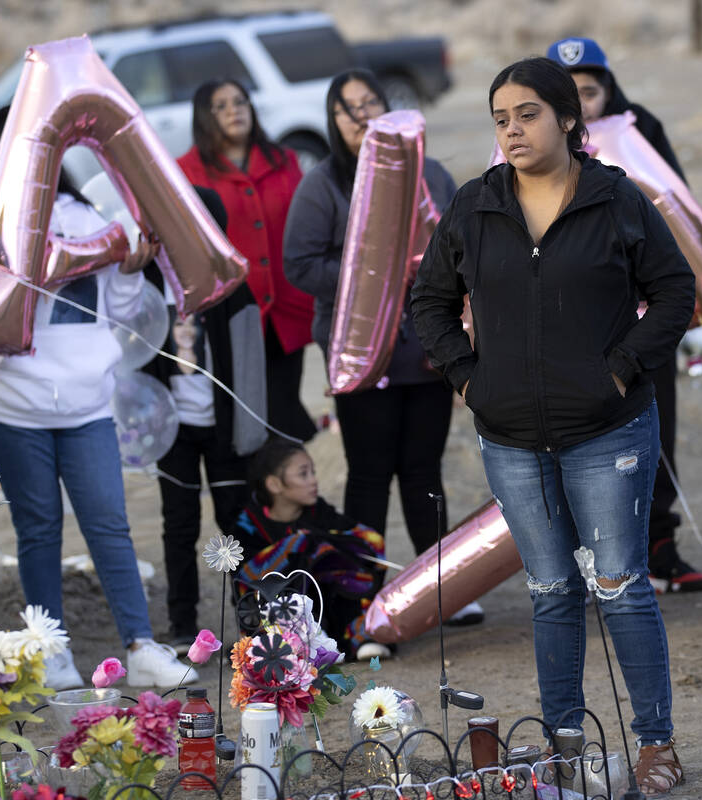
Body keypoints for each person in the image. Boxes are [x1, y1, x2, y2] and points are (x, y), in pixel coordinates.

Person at [411, 58, 695, 794]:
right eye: (501, 117)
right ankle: (566, 742)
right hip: (510, 437)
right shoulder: (474, 207)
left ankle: (656, 745)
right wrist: (469, 377)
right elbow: (428, 304)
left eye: (528, 113)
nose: (512, 129)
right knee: (549, 590)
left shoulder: (616, 200)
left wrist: (622, 369)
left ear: (569, 119)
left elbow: (674, 292)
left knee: (623, 585)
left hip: (609, 429)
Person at [0, 106, 195, 690]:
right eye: (17, 151)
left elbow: (121, 317)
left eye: (40, 150)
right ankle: (48, 649)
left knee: (109, 524)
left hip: (87, 406)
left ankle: (142, 645)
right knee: (39, 527)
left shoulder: (87, 219)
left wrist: (129, 272)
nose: (31, 162)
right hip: (9, 407)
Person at [282, 70, 480, 624]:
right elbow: (299, 263)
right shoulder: (323, 184)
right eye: (348, 109)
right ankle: (359, 594)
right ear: (333, 121)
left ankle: (440, 587)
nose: (362, 115)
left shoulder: (431, 175)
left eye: (370, 102)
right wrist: (371, 279)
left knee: (423, 470)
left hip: (425, 348)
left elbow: (459, 249)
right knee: (369, 474)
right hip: (360, 352)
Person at [546, 36, 702, 595]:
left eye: (591, 91)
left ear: (608, 90)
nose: (585, 105)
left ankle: (660, 546)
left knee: (653, 430)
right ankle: (586, 562)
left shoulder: (642, 131)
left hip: (641, 322)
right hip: (566, 329)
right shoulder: (531, 146)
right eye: (572, 94)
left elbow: (675, 205)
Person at [140, 185, 268, 654]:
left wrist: (249, 433)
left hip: (225, 427)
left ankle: (251, 613)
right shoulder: (151, 285)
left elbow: (252, 367)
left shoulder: (231, 287)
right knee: (178, 522)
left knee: (234, 520)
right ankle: (181, 623)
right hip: (172, 426)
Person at [177, 79, 316, 442]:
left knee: (284, 410)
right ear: (203, 118)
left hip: (285, 313)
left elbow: (305, 228)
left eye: (239, 102)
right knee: (246, 419)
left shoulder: (283, 160)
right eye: (220, 106)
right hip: (232, 313)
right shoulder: (186, 171)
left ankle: (287, 494)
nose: (233, 111)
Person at [232, 438, 387, 660]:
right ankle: (292, 645)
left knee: (329, 555)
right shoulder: (247, 525)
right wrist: (297, 545)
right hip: (273, 616)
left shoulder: (318, 512)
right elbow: (244, 579)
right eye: (304, 474)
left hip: (327, 606)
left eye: (313, 472)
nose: (314, 480)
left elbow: (371, 542)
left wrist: (321, 545)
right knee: (298, 551)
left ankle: (355, 635)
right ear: (274, 484)